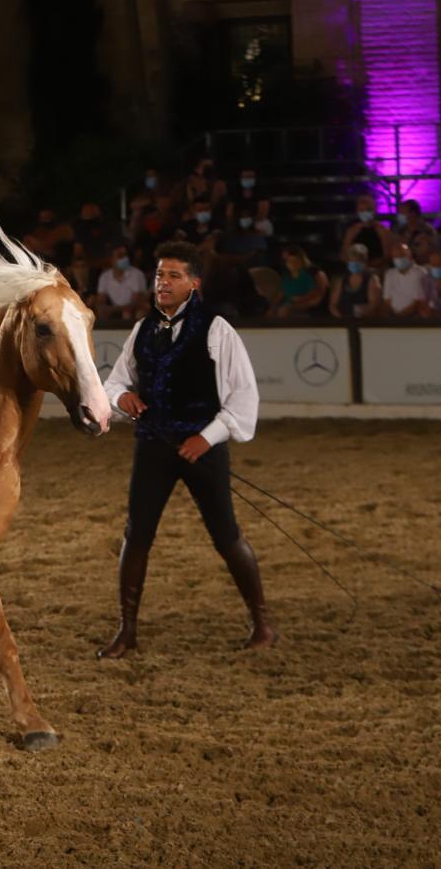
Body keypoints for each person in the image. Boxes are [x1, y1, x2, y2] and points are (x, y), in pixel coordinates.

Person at [98, 241, 275, 658]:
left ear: (193, 284)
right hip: (153, 446)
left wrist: (207, 437)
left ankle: (262, 623)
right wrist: (121, 398)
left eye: (174, 275)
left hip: (202, 446)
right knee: (136, 535)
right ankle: (127, 630)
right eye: (160, 275)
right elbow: (114, 381)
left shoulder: (216, 329)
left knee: (226, 535)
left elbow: (244, 396)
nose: (164, 282)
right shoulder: (143, 329)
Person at [95, 245, 148, 323]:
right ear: (111, 259)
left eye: (125, 255)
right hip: (115, 309)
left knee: (128, 314)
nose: (124, 258)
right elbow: (101, 299)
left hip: (133, 310)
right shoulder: (105, 276)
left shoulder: (137, 274)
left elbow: (135, 303)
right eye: (120, 256)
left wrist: (113, 309)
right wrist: (98, 304)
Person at [273, 245, 328, 317]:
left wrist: (295, 305)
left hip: (307, 307)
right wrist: (272, 307)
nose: (286, 262)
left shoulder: (315, 273)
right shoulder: (288, 274)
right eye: (285, 260)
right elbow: (282, 292)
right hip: (289, 304)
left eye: (289, 259)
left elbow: (318, 297)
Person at [330, 244, 382, 318]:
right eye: (352, 261)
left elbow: (374, 304)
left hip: (364, 320)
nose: (355, 263)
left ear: (365, 262)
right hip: (343, 320)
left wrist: (358, 313)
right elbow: (333, 304)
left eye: (358, 261)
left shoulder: (372, 279)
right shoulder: (342, 280)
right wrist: (340, 317)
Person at [340, 194, 395, 262]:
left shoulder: (383, 231)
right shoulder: (352, 231)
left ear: (375, 210)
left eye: (368, 210)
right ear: (357, 211)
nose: (365, 213)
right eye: (362, 210)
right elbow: (344, 254)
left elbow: (388, 256)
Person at [382, 243, 425, 317]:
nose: (399, 259)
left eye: (402, 255)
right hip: (393, 318)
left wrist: (402, 317)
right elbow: (387, 299)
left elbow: (418, 301)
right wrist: (394, 316)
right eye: (396, 257)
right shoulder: (390, 274)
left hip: (414, 317)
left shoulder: (419, 273)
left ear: (410, 256)